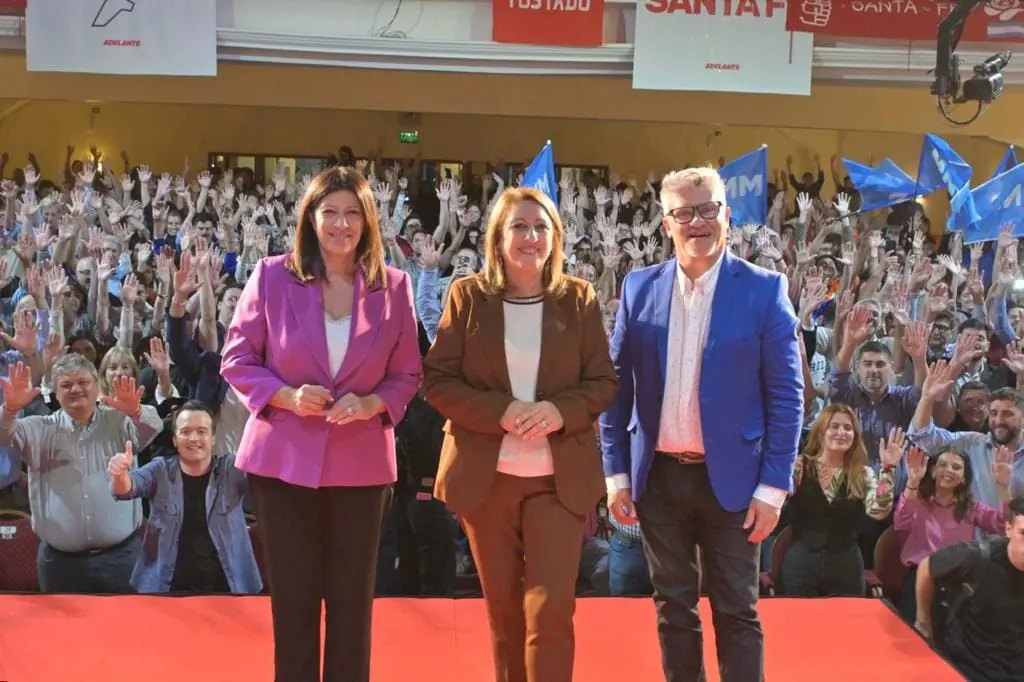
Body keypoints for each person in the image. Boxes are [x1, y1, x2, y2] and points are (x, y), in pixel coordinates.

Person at [599, 165, 803, 682]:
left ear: (726, 216)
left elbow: (787, 396)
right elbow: (615, 388)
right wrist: (616, 474)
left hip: (735, 482)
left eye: (708, 209)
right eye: (684, 213)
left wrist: (773, 488)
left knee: (737, 610)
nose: (697, 222)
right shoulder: (639, 288)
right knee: (673, 608)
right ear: (667, 223)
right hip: (659, 479)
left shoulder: (764, 290)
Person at [220, 166, 422, 682]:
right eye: (329, 211)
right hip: (283, 465)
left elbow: (407, 374)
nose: (341, 223)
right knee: (293, 603)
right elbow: (237, 359)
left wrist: (374, 403)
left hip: (361, 468)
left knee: (353, 607)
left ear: (368, 222)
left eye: (353, 212)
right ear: (310, 218)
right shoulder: (270, 276)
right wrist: (285, 396)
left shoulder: (395, 287)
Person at [423, 186, 618, 682]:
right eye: (519, 226)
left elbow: (603, 382)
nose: (531, 237)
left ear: (555, 238)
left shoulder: (579, 298)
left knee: (551, 611)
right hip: (487, 482)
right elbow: (438, 381)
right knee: (504, 615)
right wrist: (502, 411)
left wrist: (558, 410)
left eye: (541, 228)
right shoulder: (467, 296)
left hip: (558, 481)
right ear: (498, 237)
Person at [0, 355, 162, 593]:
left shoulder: (120, 420)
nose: (75, 389)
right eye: (66, 385)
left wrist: (137, 411)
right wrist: (10, 409)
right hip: (60, 564)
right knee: (63, 631)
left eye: (83, 382)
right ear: (55, 393)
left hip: (122, 558)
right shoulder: (37, 428)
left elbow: (154, 427)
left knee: (127, 628)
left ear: (97, 386)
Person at [106, 400, 262, 594]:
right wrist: (120, 474)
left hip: (229, 586)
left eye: (202, 431)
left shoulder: (231, 468)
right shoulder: (160, 469)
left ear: (213, 438)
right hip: (167, 586)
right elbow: (126, 489)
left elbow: (265, 480)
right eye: (185, 432)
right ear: (174, 439)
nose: (193, 438)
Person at [781, 406, 899, 597]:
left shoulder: (862, 473)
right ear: (821, 432)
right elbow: (779, 497)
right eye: (834, 426)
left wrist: (888, 468)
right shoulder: (800, 466)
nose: (841, 433)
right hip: (801, 563)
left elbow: (878, 512)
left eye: (848, 428)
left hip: (846, 566)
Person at [914, 496, 1024, 681]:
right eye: (1023, 533)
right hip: (969, 666)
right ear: (1008, 529)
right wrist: (923, 621)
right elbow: (926, 567)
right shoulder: (977, 556)